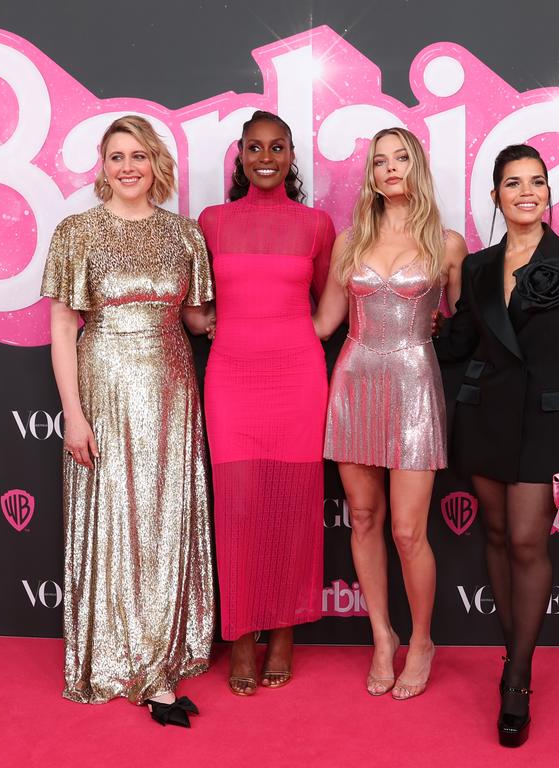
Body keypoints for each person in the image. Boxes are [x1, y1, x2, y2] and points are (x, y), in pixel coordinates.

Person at [42, 115, 216, 728]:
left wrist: (261, 321)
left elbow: (197, 321)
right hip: (105, 386)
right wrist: (73, 414)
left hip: (171, 387)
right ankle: (120, 660)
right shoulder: (77, 234)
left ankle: (159, 658)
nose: (128, 167)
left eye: (138, 155)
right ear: (103, 164)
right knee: (115, 517)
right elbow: (64, 329)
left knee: (164, 520)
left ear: (156, 163)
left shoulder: (184, 236)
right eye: (116, 156)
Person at [434, 144, 559, 746]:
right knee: (499, 536)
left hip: (547, 422)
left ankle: (517, 677)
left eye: (537, 182)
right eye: (513, 183)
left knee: (530, 539)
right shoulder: (479, 266)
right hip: (483, 415)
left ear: (549, 193)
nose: (526, 192)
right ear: (496, 196)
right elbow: (458, 340)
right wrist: (394, 325)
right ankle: (516, 655)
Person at [313, 127, 466, 700]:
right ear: (371, 176)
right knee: (365, 519)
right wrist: (252, 335)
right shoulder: (351, 241)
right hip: (354, 379)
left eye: (401, 158)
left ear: (417, 167)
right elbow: (325, 323)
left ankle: (421, 640)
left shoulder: (447, 244)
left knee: (407, 530)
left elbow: (463, 323)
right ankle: (383, 635)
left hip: (413, 386)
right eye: (380, 161)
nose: (391, 168)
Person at [198, 110, 335, 696]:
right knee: (239, 507)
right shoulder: (211, 222)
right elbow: (191, 297)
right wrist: (206, 323)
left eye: (277, 147)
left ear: (290, 157)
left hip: (298, 376)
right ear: (240, 155)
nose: (266, 157)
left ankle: (284, 633)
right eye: (255, 147)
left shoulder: (316, 225)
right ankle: (244, 636)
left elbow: (330, 307)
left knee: (293, 504)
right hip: (230, 378)